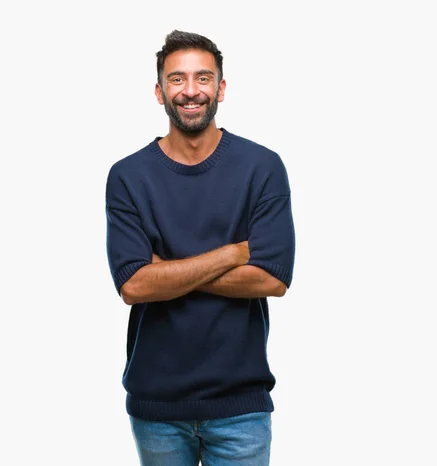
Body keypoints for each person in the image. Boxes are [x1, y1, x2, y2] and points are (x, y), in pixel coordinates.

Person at [105, 30, 295, 466]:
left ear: (221, 88)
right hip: (157, 407)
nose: (191, 91)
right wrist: (232, 253)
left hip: (240, 405)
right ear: (159, 92)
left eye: (203, 78)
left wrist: (165, 273)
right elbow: (133, 286)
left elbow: (273, 278)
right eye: (177, 79)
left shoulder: (262, 167)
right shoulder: (128, 176)